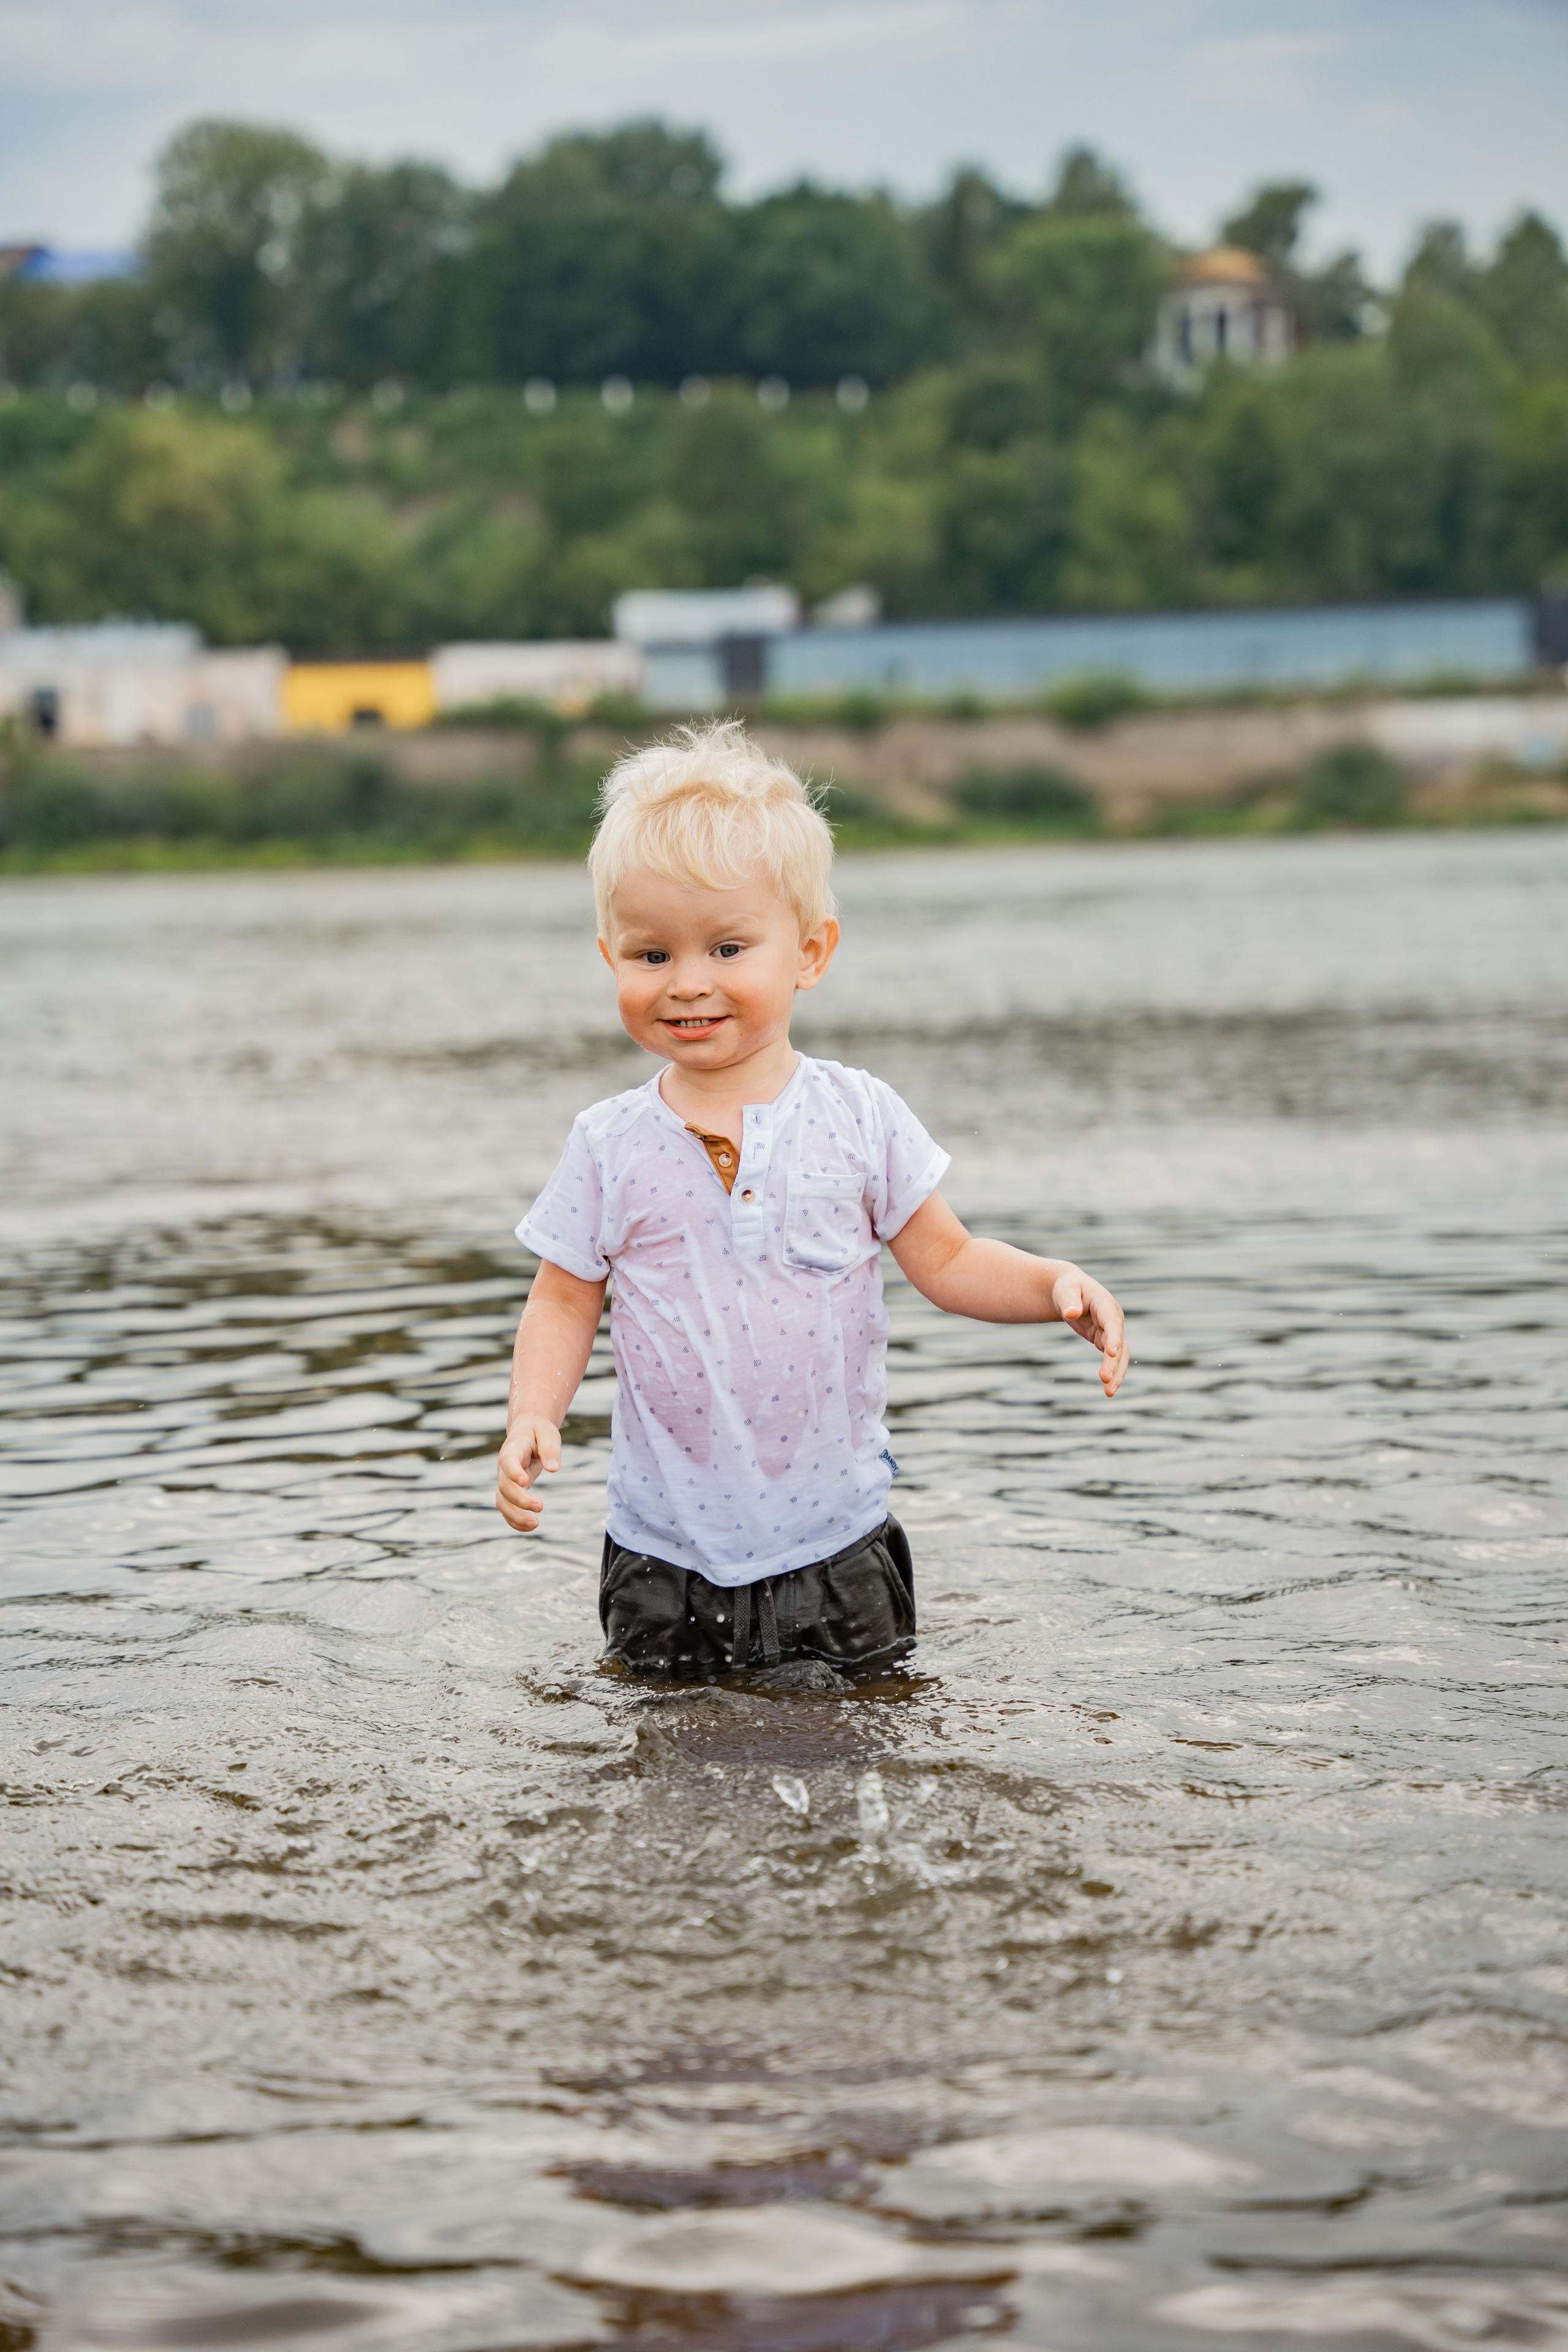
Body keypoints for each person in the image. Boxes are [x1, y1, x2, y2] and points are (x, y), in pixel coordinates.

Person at [496, 720, 1129, 1676]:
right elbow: (562, 1298)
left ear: (810, 953)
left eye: (728, 948)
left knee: (863, 1735)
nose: (689, 984)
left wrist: (1052, 1285)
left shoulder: (859, 1116)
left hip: (836, 1545)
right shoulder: (608, 1142)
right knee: (661, 1745)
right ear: (609, 956)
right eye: (651, 956)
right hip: (663, 1553)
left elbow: (950, 1261)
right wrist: (533, 1413)